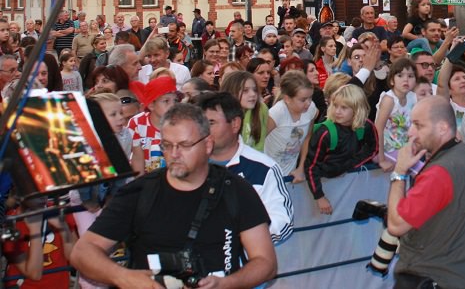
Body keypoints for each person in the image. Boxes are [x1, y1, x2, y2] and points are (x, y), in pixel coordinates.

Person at [70, 103, 277, 288]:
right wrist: (123, 277)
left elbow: (266, 262)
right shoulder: (139, 193)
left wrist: (226, 284)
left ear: (207, 144)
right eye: (167, 145)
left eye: (185, 145)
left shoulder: (236, 190)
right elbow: (83, 251)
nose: (174, 154)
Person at [387, 96, 465, 289]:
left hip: (435, 277)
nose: (411, 132)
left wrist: (399, 172)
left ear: (443, 128)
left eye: (419, 125)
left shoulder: (439, 173)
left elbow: (396, 225)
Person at [199, 92, 294, 245]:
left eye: (211, 123)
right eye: (200, 123)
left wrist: (238, 239)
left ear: (235, 124)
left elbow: (282, 223)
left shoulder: (264, 168)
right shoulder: (190, 164)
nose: (203, 130)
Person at [304, 85, 379, 215]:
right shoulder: (325, 133)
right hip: (319, 185)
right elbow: (311, 167)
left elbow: (373, 148)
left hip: (346, 183)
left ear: (357, 109)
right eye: (335, 105)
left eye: (344, 108)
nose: (337, 111)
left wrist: (351, 164)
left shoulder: (365, 126)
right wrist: (319, 197)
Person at [264, 70, 317, 180]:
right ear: (287, 99)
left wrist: (301, 168)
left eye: (310, 97)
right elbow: (257, 143)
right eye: (303, 100)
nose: (308, 103)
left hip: (290, 174)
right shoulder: (276, 113)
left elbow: (307, 138)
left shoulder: (311, 109)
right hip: (268, 174)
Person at [127, 76, 178, 174]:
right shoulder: (137, 123)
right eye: (166, 101)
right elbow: (137, 158)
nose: (173, 105)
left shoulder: (180, 124)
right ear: (151, 105)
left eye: (175, 100)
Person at [375, 58, 418, 171]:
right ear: (392, 81)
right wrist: (381, 160)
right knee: (418, 170)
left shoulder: (413, 97)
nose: (406, 80)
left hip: (403, 149)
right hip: (386, 149)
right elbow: (378, 129)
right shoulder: (389, 100)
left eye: (410, 76)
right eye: (400, 75)